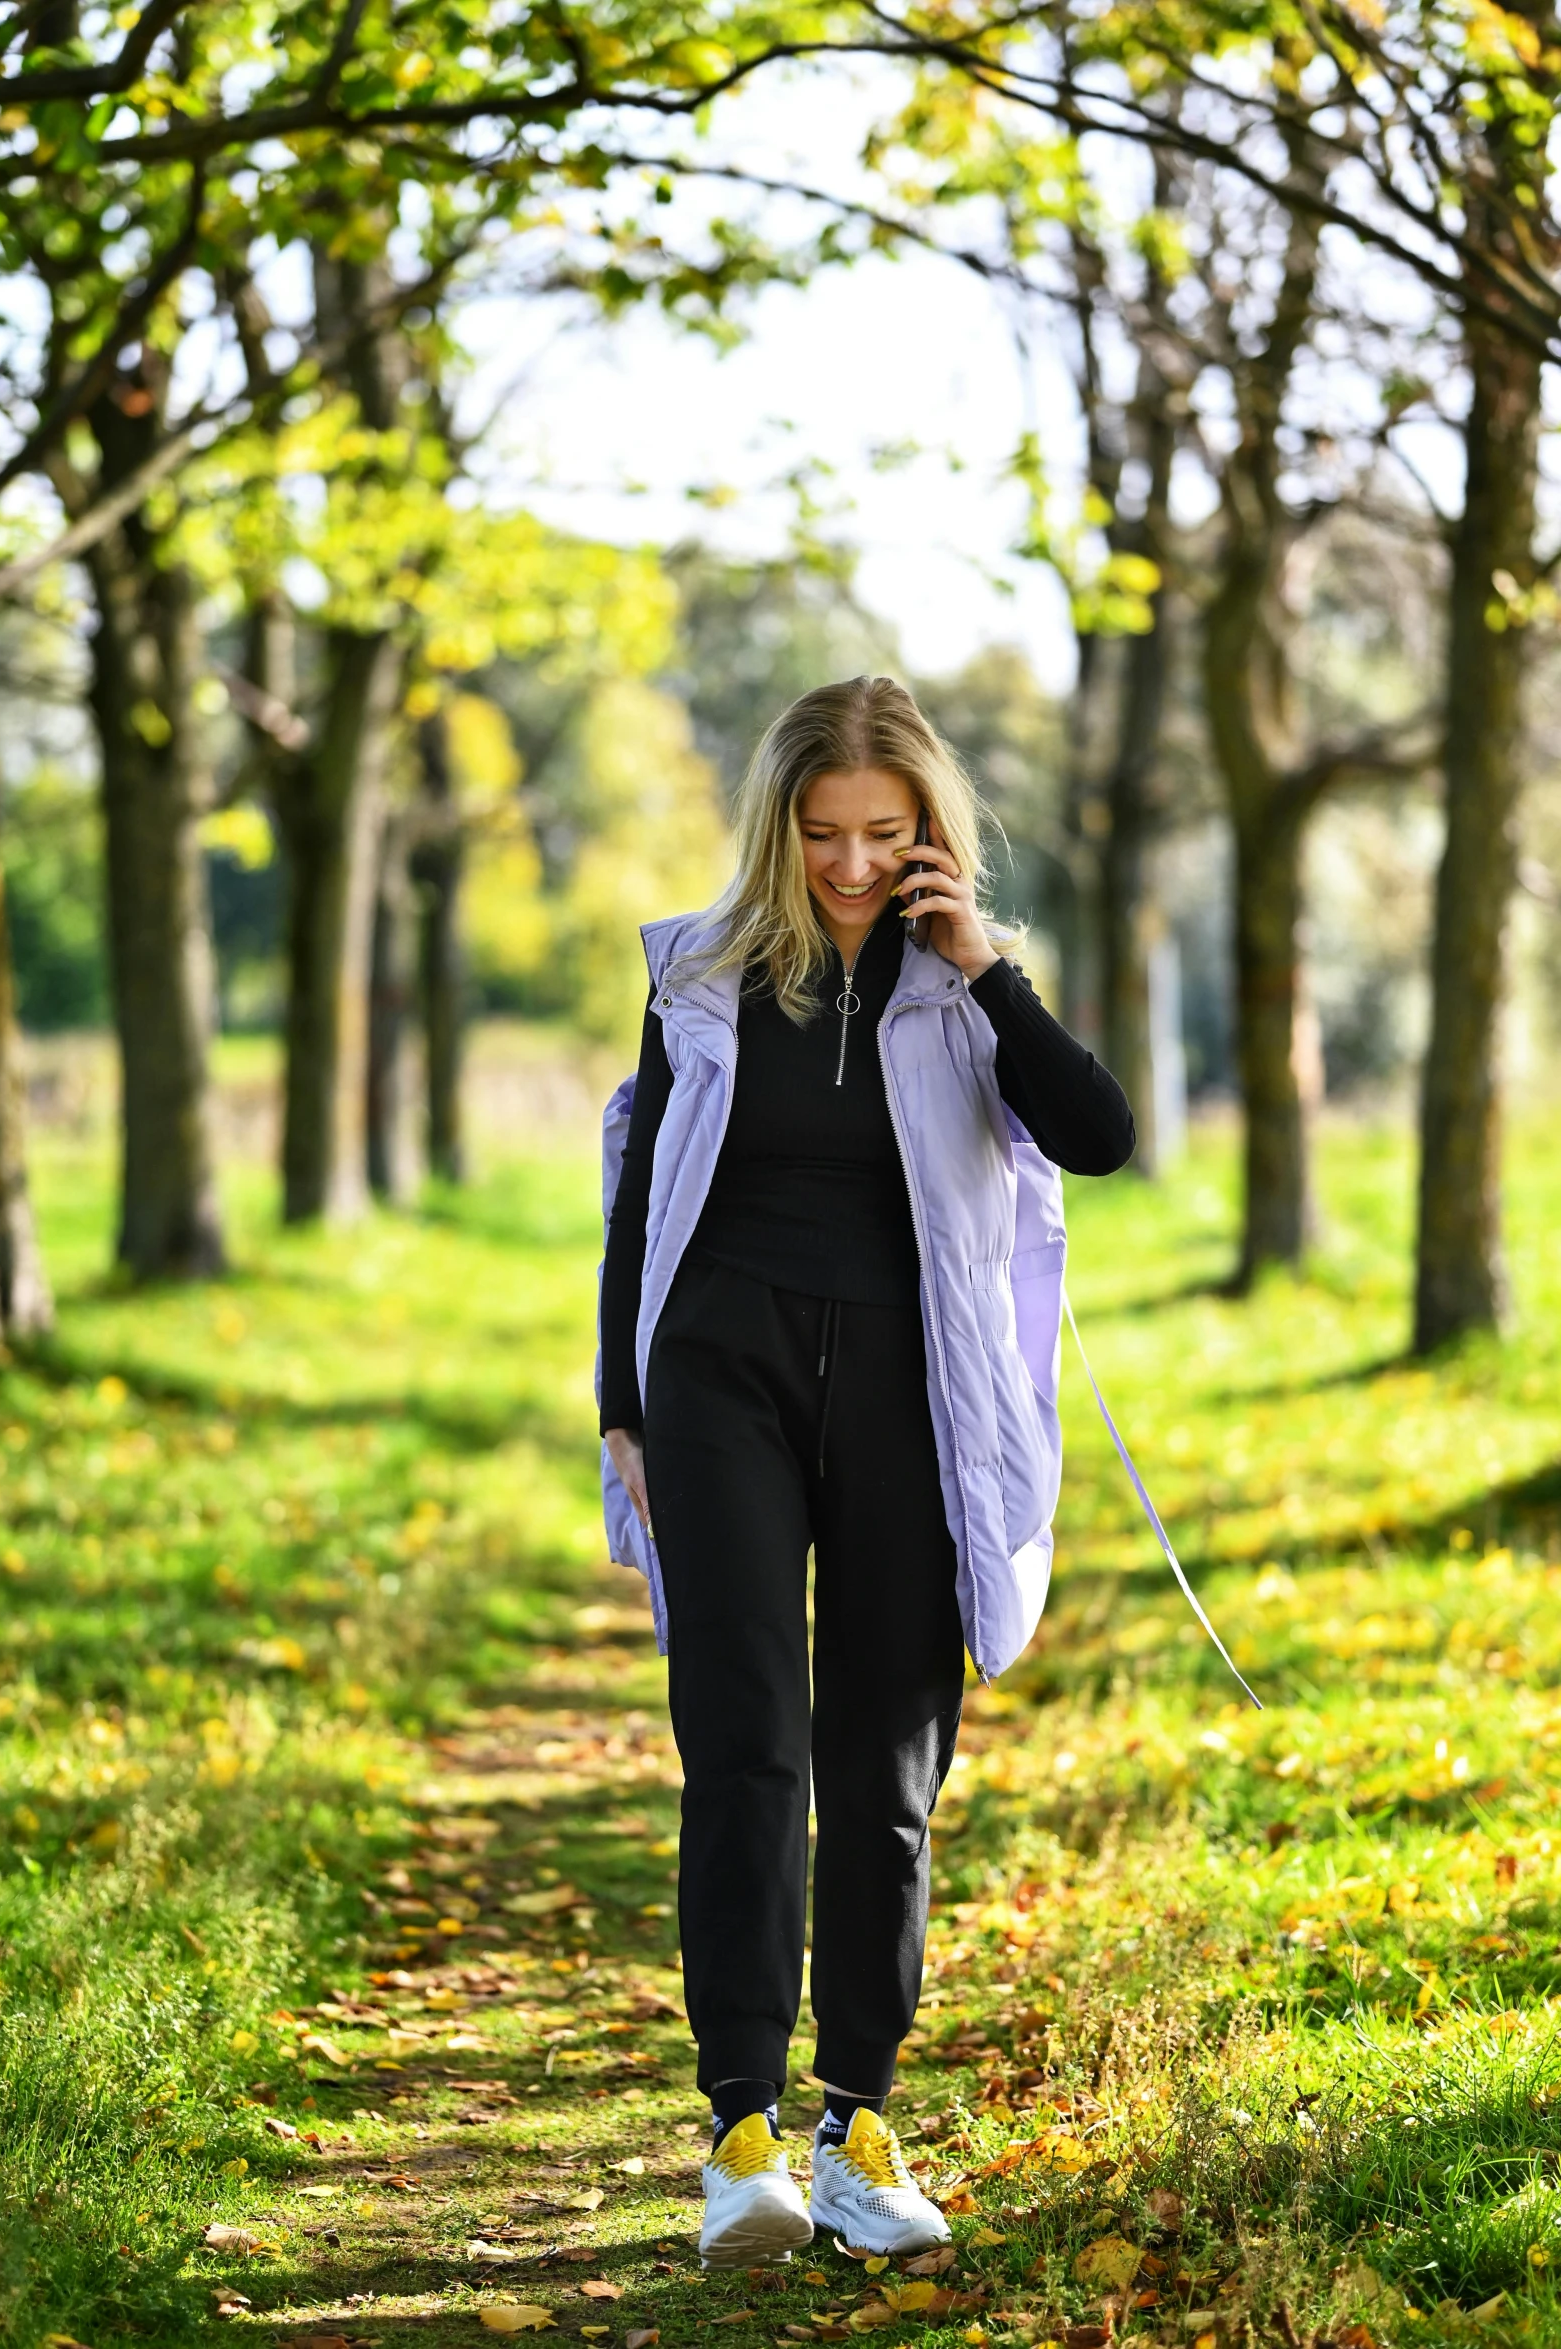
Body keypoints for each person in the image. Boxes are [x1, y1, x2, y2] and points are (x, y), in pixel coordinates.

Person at [597, 676, 1135, 2268]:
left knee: (886, 1773)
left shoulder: (965, 978)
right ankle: (743, 2135)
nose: (846, 865)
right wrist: (621, 1394)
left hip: (913, 1388)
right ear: (779, 827)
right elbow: (641, 1190)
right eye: (821, 835)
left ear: (929, 835)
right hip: (722, 1375)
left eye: (881, 836)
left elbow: (1095, 1138)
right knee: (746, 1740)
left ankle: (862, 2127)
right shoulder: (700, 970)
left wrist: (994, 971)